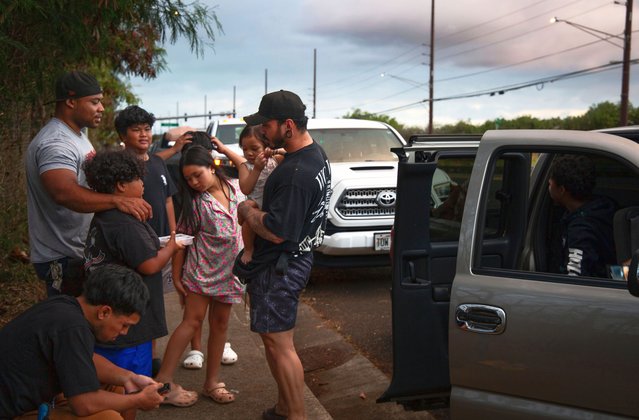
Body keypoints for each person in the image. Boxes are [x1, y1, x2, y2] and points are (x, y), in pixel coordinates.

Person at [235, 90, 331, 420]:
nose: (261, 131)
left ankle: (296, 415)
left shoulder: (296, 173)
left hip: (281, 265)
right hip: (290, 260)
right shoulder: (312, 155)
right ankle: (285, 407)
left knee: (280, 344)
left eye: (267, 125)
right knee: (274, 341)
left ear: (288, 125)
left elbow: (278, 230)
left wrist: (247, 211)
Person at [82, 150, 197, 409]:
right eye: (137, 179)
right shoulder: (124, 223)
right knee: (127, 390)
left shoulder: (106, 217)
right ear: (122, 185)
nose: (143, 184)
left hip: (109, 318)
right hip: (127, 327)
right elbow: (149, 264)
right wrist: (172, 246)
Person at [25, 71, 151, 297]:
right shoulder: (56, 142)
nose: (101, 108)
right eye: (94, 102)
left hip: (79, 252)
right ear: (71, 102)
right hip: (63, 258)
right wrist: (118, 200)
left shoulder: (77, 135)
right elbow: (64, 193)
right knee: (73, 326)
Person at [0, 264, 165, 419]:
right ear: (104, 312)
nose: (124, 332)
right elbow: (83, 404)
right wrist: (138, 400)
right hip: (14, 412)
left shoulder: (66, 306)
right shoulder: (73, 327)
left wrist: (129, 378)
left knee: (115, 387)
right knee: (108, 418)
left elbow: (83, 358)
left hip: (33, 398)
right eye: (124, 325)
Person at [154, 144, 244, 405]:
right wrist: (178, 277)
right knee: (191, 323)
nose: (193, 182)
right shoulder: (195, 204)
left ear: (212, 166)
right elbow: (182, 241)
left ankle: (212, 383)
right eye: (188, 178)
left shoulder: (237, 189)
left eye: (197, 175)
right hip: (201, 274)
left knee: (220, 325)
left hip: (230, 273)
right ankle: (163, 383)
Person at [114, 105, 178, 375]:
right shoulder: (120, 166)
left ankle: (150, 358)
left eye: (147, 129)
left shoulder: (158, 162)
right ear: (123, 134)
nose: (143, 135)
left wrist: (174, 235)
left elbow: (167, 200)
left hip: (161, 242)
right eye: (136, 129)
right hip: (135, 245)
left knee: (155, 302)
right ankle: (132, 362)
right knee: (133, 302)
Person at [213, 125, 285, 264]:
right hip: (256, 203)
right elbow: (246, 189)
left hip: (273, 203)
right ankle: (248, 249)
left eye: (254, 148)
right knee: (247, 222)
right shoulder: (245, 166)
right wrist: (257, 169)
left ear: (266, 146)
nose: (249, 153)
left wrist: (276, 150)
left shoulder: (275, 159)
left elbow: (290, 154)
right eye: (245, 149)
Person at [548, 154, 617, 277]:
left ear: (562, 190)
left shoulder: (580, 231)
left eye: (550, 184)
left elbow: (575, 277)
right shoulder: (603, 208)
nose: (549, 186)